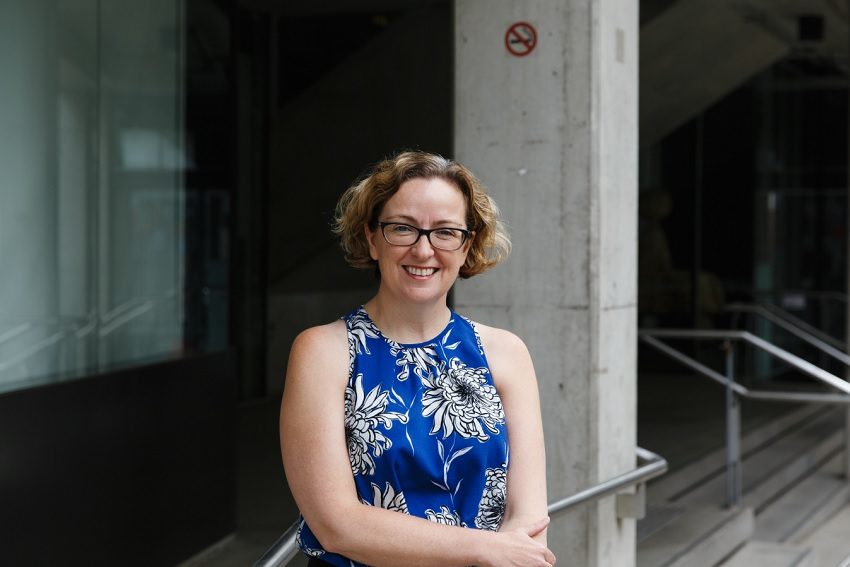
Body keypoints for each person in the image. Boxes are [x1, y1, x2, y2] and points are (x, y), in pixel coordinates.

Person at [280, 151, 555, 567]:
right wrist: (485, 549)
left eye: (445, 232)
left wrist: (502, 552)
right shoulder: (322, 352)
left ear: (468, 246)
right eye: (403, 228)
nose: (423, 249)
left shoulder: (506, 353)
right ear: (371, 238)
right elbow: (337, 525)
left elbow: (529, 518)